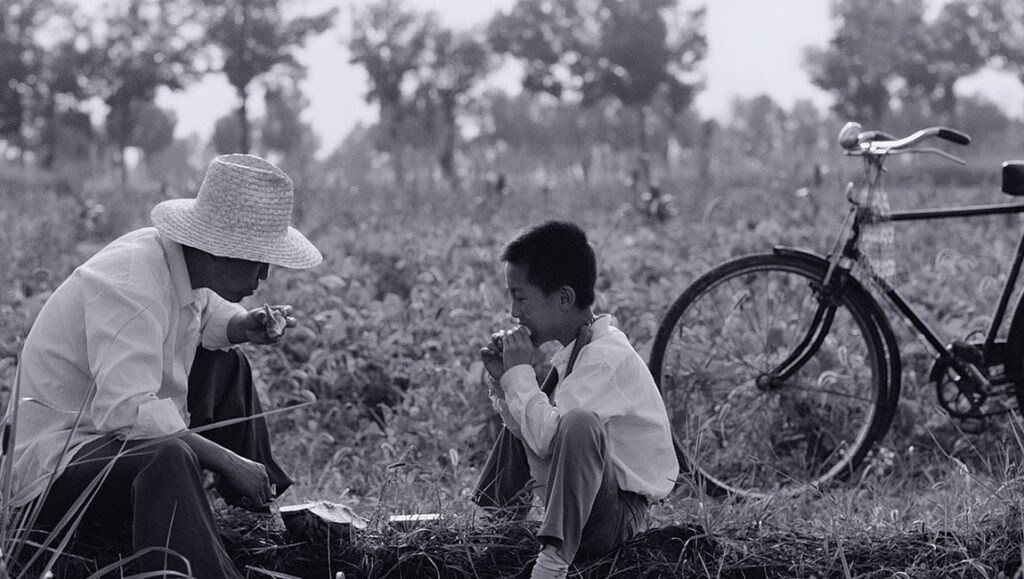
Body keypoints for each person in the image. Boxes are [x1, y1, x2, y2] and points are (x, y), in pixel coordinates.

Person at [5, 154, 322, 577]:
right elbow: (126, 414)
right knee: (167, 455)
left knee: (229, 364)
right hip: (55, 469)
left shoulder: (180, 264)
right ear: (218, 250)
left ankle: (259, 509)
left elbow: (203, 316)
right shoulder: (132, 284)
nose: (264, 274)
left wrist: (245, 325)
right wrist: (226, 460)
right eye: (256, 259)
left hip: (108, 443)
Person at [474, 221, 679, 579]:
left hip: (614, 518)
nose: (513, 313)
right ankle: (498, 526)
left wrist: (519, 375)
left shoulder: (603, 357)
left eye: (521, 297)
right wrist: (505, 379)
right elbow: (537, 428)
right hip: (588, 506)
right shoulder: (578, 351)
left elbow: (552, 438)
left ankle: (553, 564)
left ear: (565, 298)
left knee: (576, 422)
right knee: (525, 405)